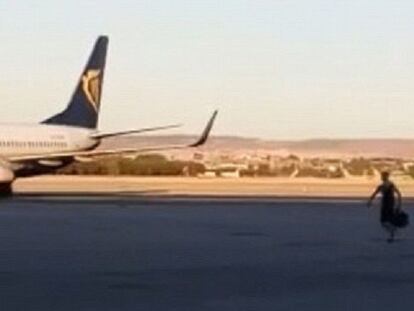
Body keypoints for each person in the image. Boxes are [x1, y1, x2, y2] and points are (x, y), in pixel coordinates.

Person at [367, 171, 402, 242]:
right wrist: (370, 201)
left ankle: (392, 234)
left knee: (384, 222)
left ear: (385, 177)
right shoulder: (386, 185)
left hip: (388, 205)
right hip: (388, 204)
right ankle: (392, 234)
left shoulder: (387, 186)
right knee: (388, 221)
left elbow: (374, 194)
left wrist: (370, 201)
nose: (381, 177)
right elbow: (398, 194)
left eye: (382, 176)